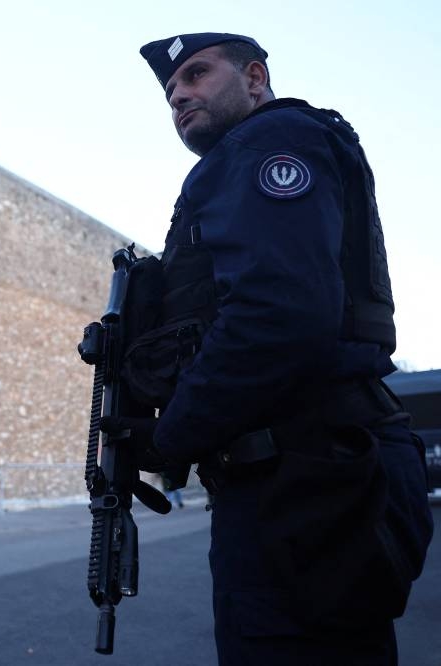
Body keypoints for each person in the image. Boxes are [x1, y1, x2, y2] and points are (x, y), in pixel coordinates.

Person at [104, 33, 434, 664]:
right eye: (172, 93)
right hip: (309, 475)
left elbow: (278, 314)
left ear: (254, 78)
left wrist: (173, 434)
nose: (181, 97)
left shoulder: (266, 142)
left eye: (198, 75)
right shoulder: (256, 151)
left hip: (306, 480)